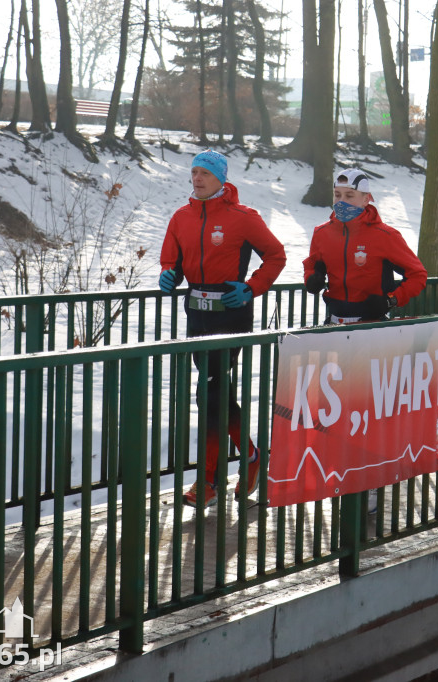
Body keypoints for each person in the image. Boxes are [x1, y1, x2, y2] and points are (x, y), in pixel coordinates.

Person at [158, 149, 286, 508]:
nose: (197, 179)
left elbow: (276, 256)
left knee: (209, 394)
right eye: (195, 172)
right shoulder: (181, 217)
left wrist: (251, 287)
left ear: (221, 179)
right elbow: (172, 259)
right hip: (197, 316)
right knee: (216, 394)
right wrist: (170, 275)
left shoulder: (242, 217)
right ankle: (251, 455)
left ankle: (210, 481)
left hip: (230, 314)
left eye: (205, 174)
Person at [303, 168, 427, 324]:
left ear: (366, 199)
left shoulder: (385, 236)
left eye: (349, 196)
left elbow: (418, 275)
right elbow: (312, 266)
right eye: (337, 195)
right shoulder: (321, 233)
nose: (341, 201)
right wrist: (311, 279)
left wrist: (390, 300)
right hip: (333, 323)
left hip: (372, 326)